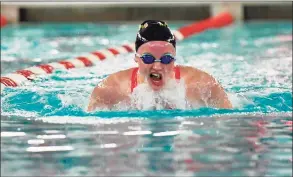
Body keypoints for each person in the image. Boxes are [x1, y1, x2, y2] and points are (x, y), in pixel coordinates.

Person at [87, 20, 232, 112]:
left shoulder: (202, 85)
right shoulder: (111, 89)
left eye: (166, 58)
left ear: (174, 59)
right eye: (148, 58)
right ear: (136, 59)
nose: (157, 66)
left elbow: (228, 124)